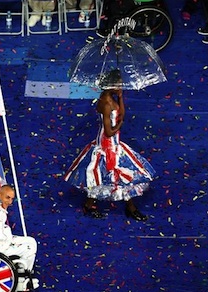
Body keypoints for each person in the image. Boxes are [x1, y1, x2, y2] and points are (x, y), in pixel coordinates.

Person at [64, 70, 155, 221]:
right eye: (118, 84)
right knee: (108, 176)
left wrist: (120, 98)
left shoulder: (111, 97)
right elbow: (109, 131)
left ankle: (101, 205)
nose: (120, 86)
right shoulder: (105, 103)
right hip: (107, 146)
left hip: (114, 144)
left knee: (114, 176)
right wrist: (120, 124)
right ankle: (125, 207)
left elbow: (122, 114)